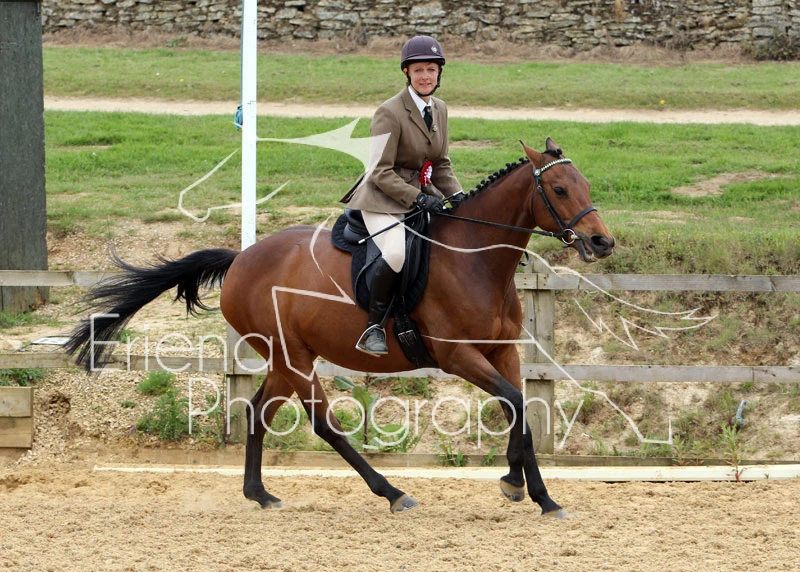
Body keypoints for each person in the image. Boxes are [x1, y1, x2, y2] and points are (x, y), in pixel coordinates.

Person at [342, 35, 465, 356]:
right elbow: (379, 171)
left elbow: (441, 163)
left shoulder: (440, 109)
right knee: (396, 253)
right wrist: (418, 198)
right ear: (406, 73)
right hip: (381, 197)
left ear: (439, 73)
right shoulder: (389, 112)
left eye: (431, 70)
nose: (425, 76)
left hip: (420, 192)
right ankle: (373, 328)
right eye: (418, 70)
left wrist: (459, 197)